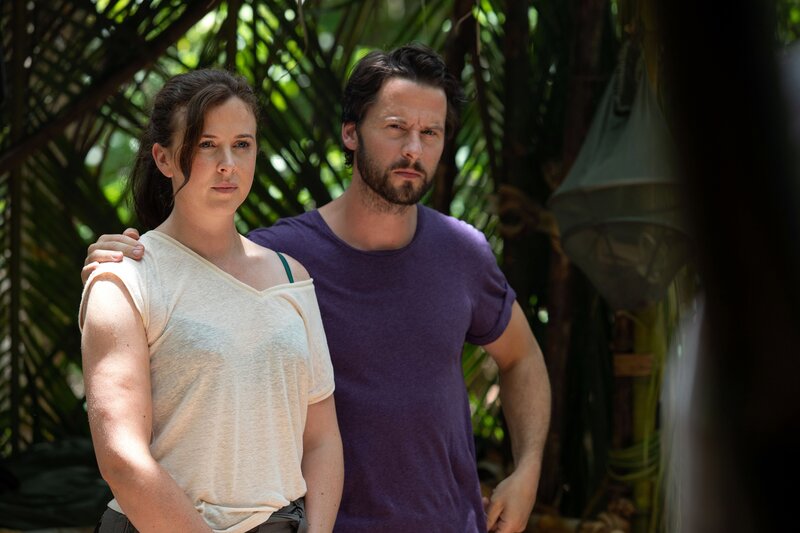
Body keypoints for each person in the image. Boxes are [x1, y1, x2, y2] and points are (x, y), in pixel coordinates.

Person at [83, 44, 551, 533]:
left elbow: (521, 356)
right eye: (396, 127)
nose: (414, 149)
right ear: (350, 133)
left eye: (430, 132)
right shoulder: (283, 257)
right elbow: (193, 272)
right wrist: (116, 271)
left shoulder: (458, 252)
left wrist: (528, 468)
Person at [79, 69, 343, 533]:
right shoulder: (125, 278)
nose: (228, 163)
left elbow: (321, 439)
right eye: (206, 145)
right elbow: (122, 458)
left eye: (242, 144)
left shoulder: (292, 277)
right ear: (163, 158)